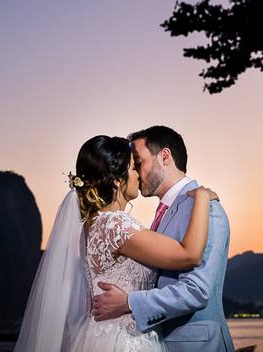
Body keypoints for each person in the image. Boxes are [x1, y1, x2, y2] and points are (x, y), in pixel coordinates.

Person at [14, 134, 218, 352]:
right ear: (116, 180)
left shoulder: (91, 223)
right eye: (133, 168)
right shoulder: (116, 225)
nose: (138, 175)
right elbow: (190, 255)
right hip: (124, 340)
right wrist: (202, 198)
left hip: (100, 335)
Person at [92, 126, 234, 351]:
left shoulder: (205, 209)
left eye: (139, 162)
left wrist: (129, 302)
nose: (136, 172)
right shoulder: (164, 212)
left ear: (165, 156)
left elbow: (196, 291)